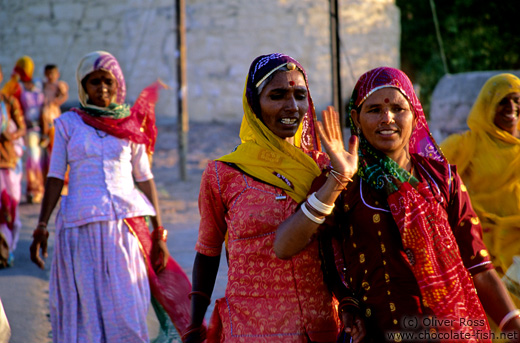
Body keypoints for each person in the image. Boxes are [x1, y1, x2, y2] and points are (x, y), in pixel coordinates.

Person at [274, 67, 520, 342]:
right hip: (373, 332)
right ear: (355, 117)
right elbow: (284, 246)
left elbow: (479, 268)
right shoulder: (343, 181)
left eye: (398, 109)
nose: (387, 118)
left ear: (415, 115)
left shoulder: (442, 178)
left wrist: (512, 323)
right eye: (374, 110)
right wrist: (337, 179)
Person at [29, 51, 191, 342]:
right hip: (81, 229)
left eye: (108, 81)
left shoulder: (130, 126)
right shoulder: (68, 124)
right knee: (87, 313)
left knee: (128, 311)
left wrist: (159, 235)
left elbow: (145, 179)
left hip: (125, 231)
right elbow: (54, 177)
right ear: (84, 86)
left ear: (118, 85)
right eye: (94, 82)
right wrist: (41, 225)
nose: (102, 88)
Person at [184, 53, 341, 343]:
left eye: (300, 95)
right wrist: (194, 323)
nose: (292, 107)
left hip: (319, 327)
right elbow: (208, 252)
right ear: (254, 105)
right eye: (277, 95)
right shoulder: (224, 173)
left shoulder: (325, 169)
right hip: (250, 328)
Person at [440, 74, 520, 292]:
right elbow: (429, 183)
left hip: (516, 254)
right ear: (487, 105)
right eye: (503, 100)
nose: (511, 107)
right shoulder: (464, 145)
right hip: (477, 251)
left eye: (516, 100)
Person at [2, 55, 45, 203]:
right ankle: (33, 190)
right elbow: (8, 104)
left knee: (42, 159)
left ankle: (40, 188)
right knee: (32, 159)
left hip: (42, 129)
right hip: (25, 130)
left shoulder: (39, 85)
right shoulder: (16, 87)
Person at [0, 64, 26, 268]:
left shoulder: (8, 101)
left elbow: (22, 127)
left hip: (8, 160)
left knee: (11, 207)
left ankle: (8, 247)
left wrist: (11, 135)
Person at [41, 64, 69, 174]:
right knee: (45, 151)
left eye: (52, 73)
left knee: (55, 147)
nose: (50, 76)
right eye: (48, 73)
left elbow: (64, 96)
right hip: (43, 118)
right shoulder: (43, 85)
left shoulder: (59, 86)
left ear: (57, 74)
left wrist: (58, 99)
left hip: (53, 116)